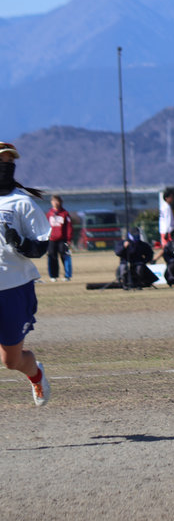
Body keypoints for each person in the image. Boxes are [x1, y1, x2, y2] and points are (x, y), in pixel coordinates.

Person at [0, 142, 52, 406]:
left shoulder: (21, 203)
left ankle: (36, 374)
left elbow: (41, 246)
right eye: (1, 162)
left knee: (11, 361)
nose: (6, 166)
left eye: (9, 162)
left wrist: (20, 243)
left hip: (13, 288)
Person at [46, 194, 73, 281]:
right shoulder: (49, 214)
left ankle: (67, 276)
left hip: (62, 239)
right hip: (51, 239)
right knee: (52, 257)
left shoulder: (65, 213)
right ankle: (53, 276)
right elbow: (45, 226)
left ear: (60, 202)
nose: (55, 203)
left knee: (65, 256)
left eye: (57, 201)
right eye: (53, 201)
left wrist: (69, 239)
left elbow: (69, 227)